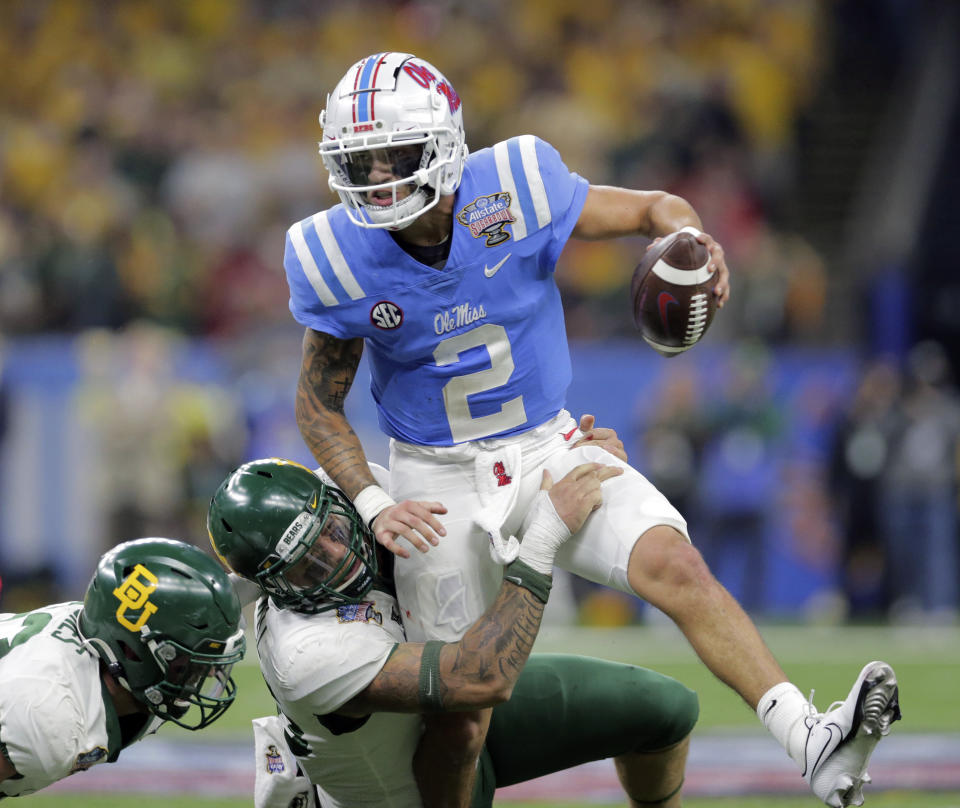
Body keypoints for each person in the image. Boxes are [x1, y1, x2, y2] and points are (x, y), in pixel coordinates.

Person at [282, 51, 900, 807]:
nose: (378, 178)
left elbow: (652, 207)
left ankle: (813, 741)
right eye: (360, 160)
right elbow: (318, 403)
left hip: (550, 446)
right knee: (461, 719)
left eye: (395, 155)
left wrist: (691, 241)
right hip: (433, 478)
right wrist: (377, 503)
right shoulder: (335, 255)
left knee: (677, 566)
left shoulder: (515, 183)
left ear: (444, 145)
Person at [207, 455, 699, 808]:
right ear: (272, 586)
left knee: (667, 709)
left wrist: (574, 459)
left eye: (331, 533)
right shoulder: (306, 653)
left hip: (450, 728)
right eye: (308, 568)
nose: (337, 559)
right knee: (463, 719)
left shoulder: (356, 496)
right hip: (404, 792)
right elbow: (478, 680)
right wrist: (545, 534)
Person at [0, 537, 246, 798]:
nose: (207, 673)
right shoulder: (51, 716)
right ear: (131, 651)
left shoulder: (104, 636)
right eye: (190, 660)